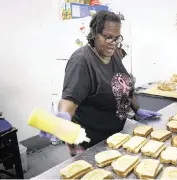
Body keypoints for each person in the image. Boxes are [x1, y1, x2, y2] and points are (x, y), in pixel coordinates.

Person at [41, 11, 161, 156]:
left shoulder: (114, 53)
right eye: (108, 37)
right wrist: (63, 116)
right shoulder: (81, 62)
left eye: (117, 38)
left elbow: (125, 85)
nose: (114, 43)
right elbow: (69, 100)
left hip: (114, 136)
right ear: (94, 34)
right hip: (89, 142)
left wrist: (137, 110)